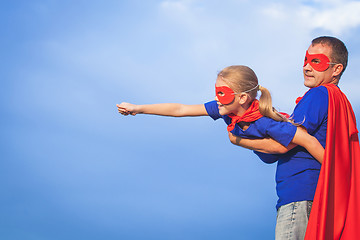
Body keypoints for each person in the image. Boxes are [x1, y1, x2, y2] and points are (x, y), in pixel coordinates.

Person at [228, 36, 360, 239]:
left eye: (316, 61)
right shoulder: (336, 99)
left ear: (336, 69)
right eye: (306, 60)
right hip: (307, 197)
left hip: (301, 197)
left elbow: (281, 147)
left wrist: (238, 138)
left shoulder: (319, 94)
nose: (307, 67)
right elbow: (273, 152)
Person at [117, 65, 324, 164]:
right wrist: (138, 108)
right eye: (216, 92)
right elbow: (180, 109)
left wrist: (340, 178)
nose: (216, 98)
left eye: (222, 93)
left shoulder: (265, 123)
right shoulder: (227, 108)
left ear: (242, 98)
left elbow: (306, 142)